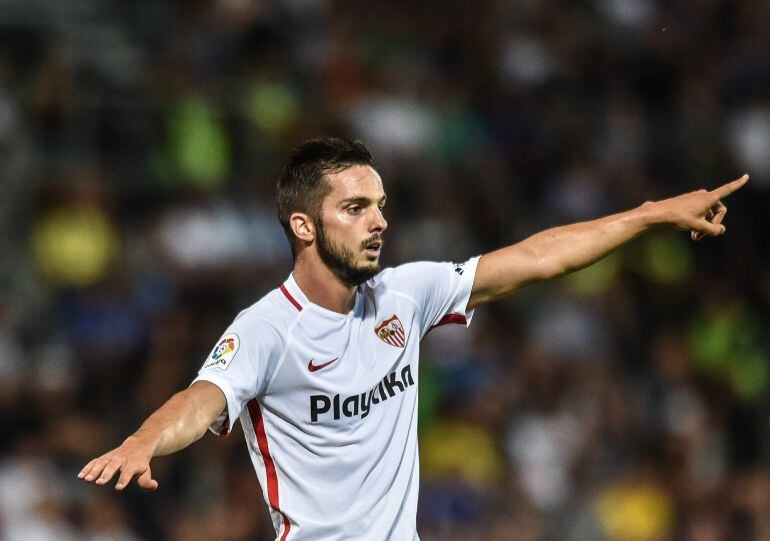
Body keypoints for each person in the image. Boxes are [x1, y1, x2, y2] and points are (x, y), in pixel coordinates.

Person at [78, 137, 748, 540]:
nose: (379, 222)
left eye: (381, 205)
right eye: (356, 207)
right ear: (305, 226)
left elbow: (539, 257)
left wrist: (649, 214)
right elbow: (201, 399)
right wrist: (143, 439)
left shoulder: (406, 292)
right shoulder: (266, 329)